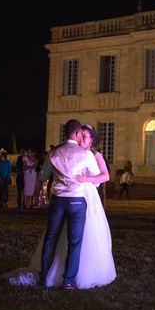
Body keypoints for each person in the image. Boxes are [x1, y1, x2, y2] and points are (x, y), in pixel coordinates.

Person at [38, 119, 102, 290]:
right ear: (76, 134)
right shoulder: (86, 154)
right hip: (76, 200)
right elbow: (96, 179)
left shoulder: (53, 153)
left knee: (50, 238)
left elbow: (42, 177)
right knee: (75, 241)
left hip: (58, 200)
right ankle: (68, 280)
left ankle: (44, 276)